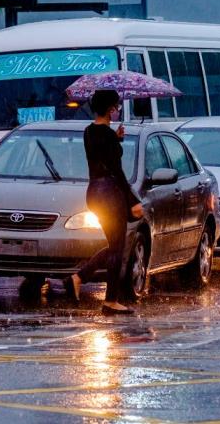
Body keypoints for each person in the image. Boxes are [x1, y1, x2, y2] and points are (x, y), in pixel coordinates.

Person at [64, 90, 143, 315]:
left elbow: (101, 154)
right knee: (117, 248)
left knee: (113, 246)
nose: (117, 110)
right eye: (116, 107)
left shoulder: (88, 132)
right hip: (110, 192)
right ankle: (110, 301)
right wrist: (133, 200)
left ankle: (78, 278)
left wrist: (115, 138)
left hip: (94, 192)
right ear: (110, 109)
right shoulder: (107, 135)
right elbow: (117, 171)